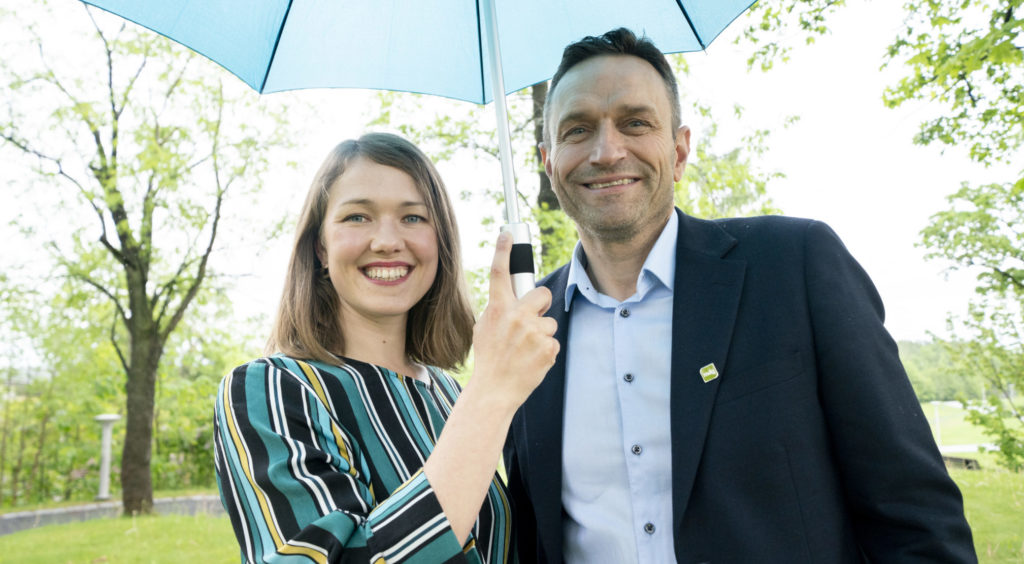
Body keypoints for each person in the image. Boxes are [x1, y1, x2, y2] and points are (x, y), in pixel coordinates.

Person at [503, 28, 977, 563]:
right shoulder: (526, 331)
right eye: (578, 129)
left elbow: (914, 516)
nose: (607, 151)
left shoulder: (795, 265)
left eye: (635, 123)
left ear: (679, 151)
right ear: (548, 160)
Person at [214, 132, 557, 563]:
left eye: (413, 217)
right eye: (357, 217)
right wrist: (490, 393)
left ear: (440, 242)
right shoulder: (269, 389)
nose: (387, 241)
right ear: (321, 247)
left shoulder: (449, 393)